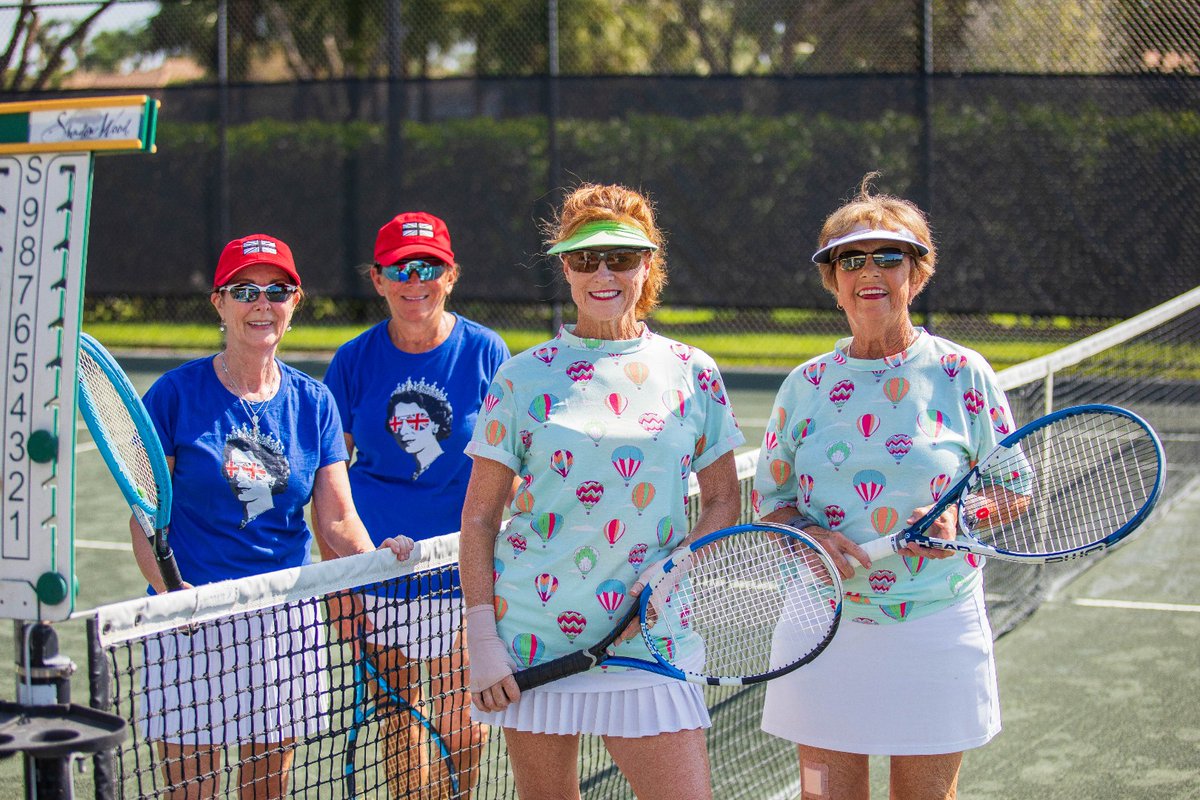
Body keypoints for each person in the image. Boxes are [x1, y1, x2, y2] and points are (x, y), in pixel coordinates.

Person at [459, 183, 744, 799]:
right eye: (586, 259)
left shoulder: (692, 370)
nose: (603, 274)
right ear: (566, 267)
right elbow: (480, 518)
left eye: (621, 257)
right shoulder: (520, 376)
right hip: (532, 638)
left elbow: (724, 498)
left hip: (650, 637)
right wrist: (481, 634)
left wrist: (674, 569)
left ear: (648, 264)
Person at [753, 173, 1016, 800]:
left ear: (917, 274)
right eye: (850, 259)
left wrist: (962, 520)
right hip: (822, 626)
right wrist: (808, 534)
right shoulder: (804, 386)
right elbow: (772, 502)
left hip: (936, 625)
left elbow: (1014, 487)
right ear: (833, 280)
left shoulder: (963, 373)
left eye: (889, 256)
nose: (869, 271)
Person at [132, 233, 414, 800]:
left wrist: (374, 558)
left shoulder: (314, 402)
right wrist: (170, 593)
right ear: (219, 302)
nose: (262, 303)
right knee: (191, 790)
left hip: (283, 619)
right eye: (245, 291)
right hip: (190, 614)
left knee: (266, 789)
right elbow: (144, 518)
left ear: (294, 302)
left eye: (277, 290)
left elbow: (336, 519)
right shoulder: (173, 395)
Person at [321, 211, 510, 798]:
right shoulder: (352, 361)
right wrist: (340, 581)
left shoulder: (486, 351)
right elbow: (328, 483)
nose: (414, 281)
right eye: (400, 269)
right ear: (378, 279)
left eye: (428, 267)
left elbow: (511, 467)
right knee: (399, 720)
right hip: (379, 568)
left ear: (450, 276)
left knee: (462, 724)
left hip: (464, 568)